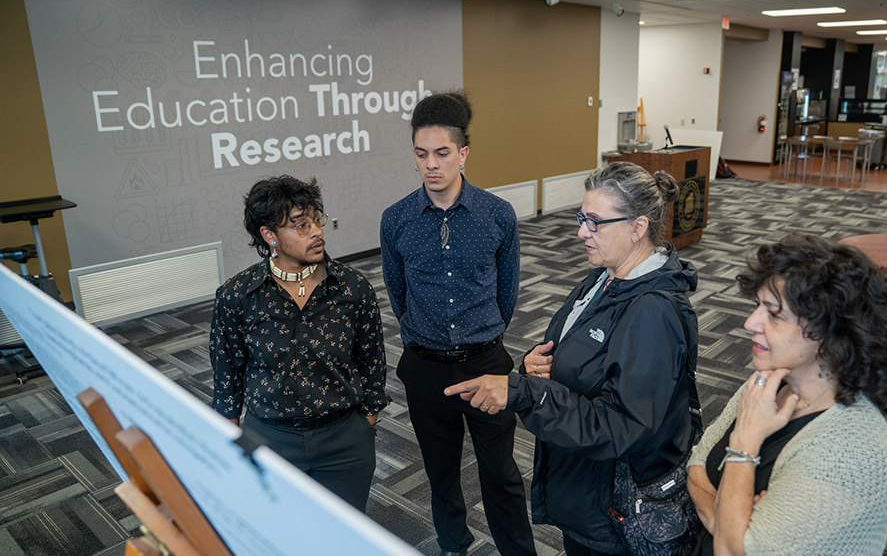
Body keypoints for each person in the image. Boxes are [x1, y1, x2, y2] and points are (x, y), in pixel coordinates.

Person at [445, 161, 700, 556]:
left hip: (615, 514)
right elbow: (577, 352)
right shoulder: (605, 278)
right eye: (583, 218)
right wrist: (538, 363)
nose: (581, 231)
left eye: (595, 222)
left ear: (638, 227)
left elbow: (620, 426)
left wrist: (525, 393)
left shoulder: (654, 312)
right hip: (586, 495)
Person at [686, 234, 887, 556]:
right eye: (757, 306)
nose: (751, 322)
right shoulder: (767, 383)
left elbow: (734, 552)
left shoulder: (851, 450)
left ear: (827, 335)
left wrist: (744, 446)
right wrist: (736, 520)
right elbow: (696, 467)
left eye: (774, 314)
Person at [379, 92, 535, 556]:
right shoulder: (396, 220)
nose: (431, 165)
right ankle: (453, 545)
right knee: (440, 474)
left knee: (501, 475)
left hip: (485, 363)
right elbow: (398, 295)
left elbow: (507, 296)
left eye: (442, 153)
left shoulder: (496, 214)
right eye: (422, 154)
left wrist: (479, 337)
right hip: (425, 368)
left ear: (463, 154)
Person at [211, 175, 388, 513]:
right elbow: (227, 380)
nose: (316, 231)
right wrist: (233, 444)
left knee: (343, 539)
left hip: (344, 440)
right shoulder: (238, 296)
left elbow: (372, 363)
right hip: (270, 440)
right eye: (300, 226)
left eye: (316, 220)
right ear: (269, 235)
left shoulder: (352, 289)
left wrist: (366, 424)